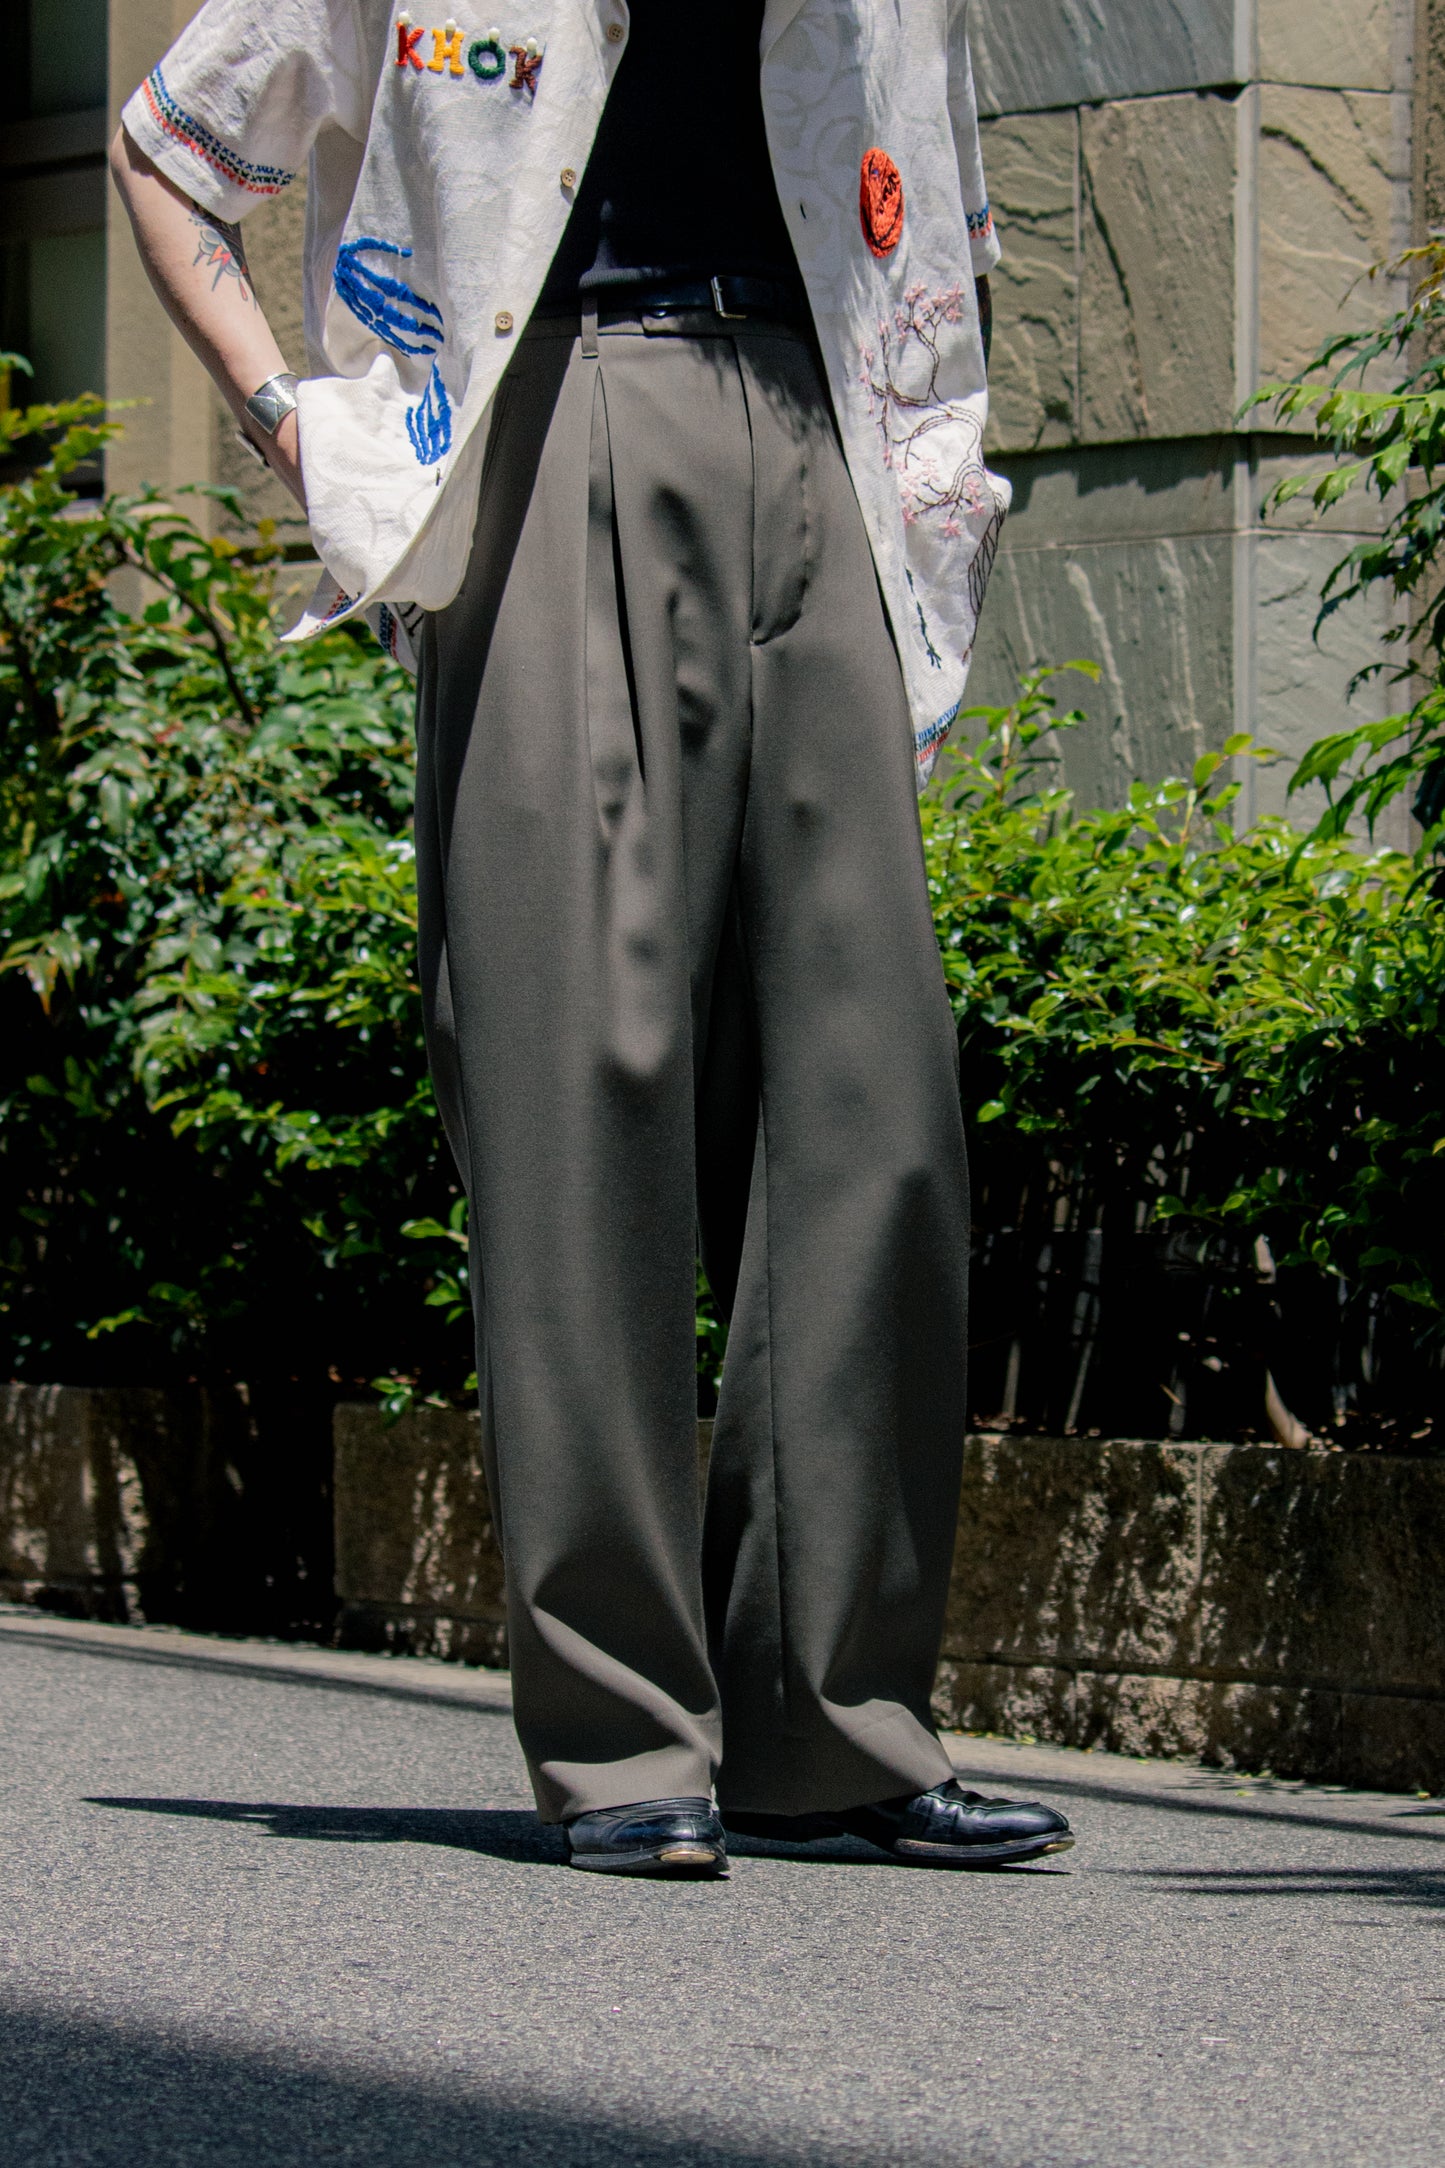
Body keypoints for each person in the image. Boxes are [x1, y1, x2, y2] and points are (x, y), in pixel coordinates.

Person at [112, 0, 1074, 1880]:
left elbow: (937, 220)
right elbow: (169, 151)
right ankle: (626, 1737)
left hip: (824, 440)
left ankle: (831, 1727)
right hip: (551, 416)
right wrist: (293, 425)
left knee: (870, 1106)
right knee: (580, 1074)